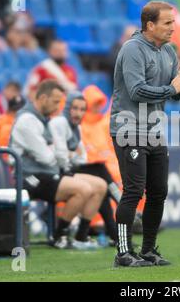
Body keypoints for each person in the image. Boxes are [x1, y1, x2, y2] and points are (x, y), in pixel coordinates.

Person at [110, 0, 180, 267]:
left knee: (158, 191)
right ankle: (123, 253)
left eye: (173, 22)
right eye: (168, 22)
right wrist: (172, 88)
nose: (173, 27)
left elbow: (175, 94)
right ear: (150, 25)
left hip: (154, 130)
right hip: (128, 127)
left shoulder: (168, 51)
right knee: (134, 191)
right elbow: (137, 91)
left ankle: (148, 250)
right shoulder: (133, 49)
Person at [10, 80, 108, 250]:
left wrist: (60, 152)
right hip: (30, 176)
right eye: (55, 102)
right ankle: (59, 236)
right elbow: (47, 157)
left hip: (49, 172)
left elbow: (60, 154)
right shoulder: (27, 120)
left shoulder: (45, 119)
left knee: (100, 185)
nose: (58, 107)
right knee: (83, 189)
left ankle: (80, 237)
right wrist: (62, 152)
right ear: (42, 98)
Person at [49, 92, 119, 246]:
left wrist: (71, 155)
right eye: (75, 108)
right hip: (55, 172)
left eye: (82, 109)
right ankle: (118, 213)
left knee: (101, 183)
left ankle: (92, 234)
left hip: (69, 169)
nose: (79, 113)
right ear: (68, 108)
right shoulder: (60, 123)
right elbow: (62, 156)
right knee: (100, 173)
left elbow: (81, 157)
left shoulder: (77, 128)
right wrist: (72, 154)